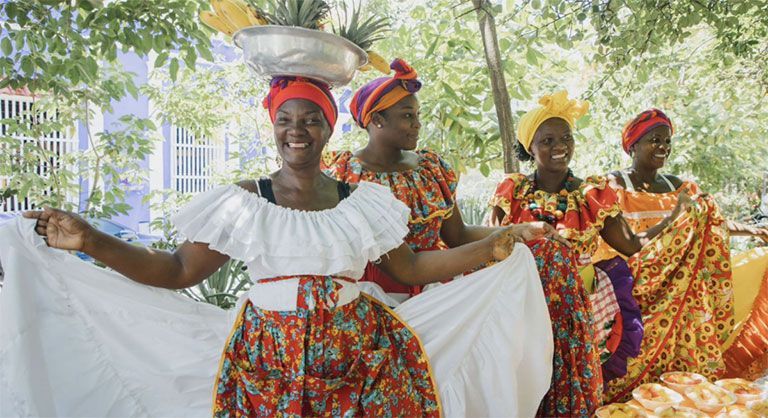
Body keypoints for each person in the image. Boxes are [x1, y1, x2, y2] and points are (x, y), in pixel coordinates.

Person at [0, 76, 554, 417]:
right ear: (273, 127)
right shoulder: (245, 201)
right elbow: (175, 271)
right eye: (286, 119)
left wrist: (495, 247)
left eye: (311, 119)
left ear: (328, 130)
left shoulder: (363, 201)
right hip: (264, 358)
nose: (298, 129)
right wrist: (90, 239)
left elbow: (413, 264)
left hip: (362, 355)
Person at [488, 91, 690, 416]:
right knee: (521, 389)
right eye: (548, 140)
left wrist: (672, 218)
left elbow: (629, 245)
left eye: (566, 137)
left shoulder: (590, 195)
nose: (560, 147)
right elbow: (491, 246)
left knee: (568, 392)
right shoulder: (511, 192)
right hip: (519, 309)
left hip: (574, 315)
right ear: (530, 146)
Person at [323, 58, 565, 304]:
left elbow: (457, 235)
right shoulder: (347, 176)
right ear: (377, 120)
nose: (417, 124)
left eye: (418, 114)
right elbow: (400, 266)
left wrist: (516, 230)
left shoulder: (429, 169)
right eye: (408, 115)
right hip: (372, 300)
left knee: (543, 254)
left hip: (435, 292)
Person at [593, 108, 765, 401]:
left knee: (682, 376)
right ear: (632, 144)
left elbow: (711, 224)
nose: (663, 147)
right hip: (633, 289)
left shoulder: (681, 188)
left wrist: (755, 232)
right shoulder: (612, 187)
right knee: (630, 364)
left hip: (682, 292)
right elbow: (623, 242)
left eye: (667, 141)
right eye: (654, 140)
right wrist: (676, 215)